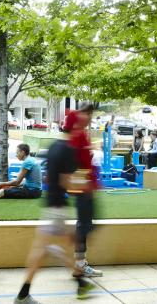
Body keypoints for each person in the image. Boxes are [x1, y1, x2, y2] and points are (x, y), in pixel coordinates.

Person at [13, 120, 95, 304]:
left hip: (51, 205)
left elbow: (49, 176)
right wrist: (85, 187)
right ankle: (23, 295)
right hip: (57, 208)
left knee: (48, 248)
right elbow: (66, 181)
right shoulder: (67, 150)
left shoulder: (54, 146)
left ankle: (80, 281)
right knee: (50, 248)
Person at [68, 105, 103, 277]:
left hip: (84, 187)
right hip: (83, 188)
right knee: (84, 226)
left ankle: (80, 264)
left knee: (85, 225)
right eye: (87, 113)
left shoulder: (79, 134)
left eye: (91, 114)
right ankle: (79, 265)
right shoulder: (78, 134)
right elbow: (75, 162)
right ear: (79, 114)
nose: (89, 117)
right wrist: (86, 185)